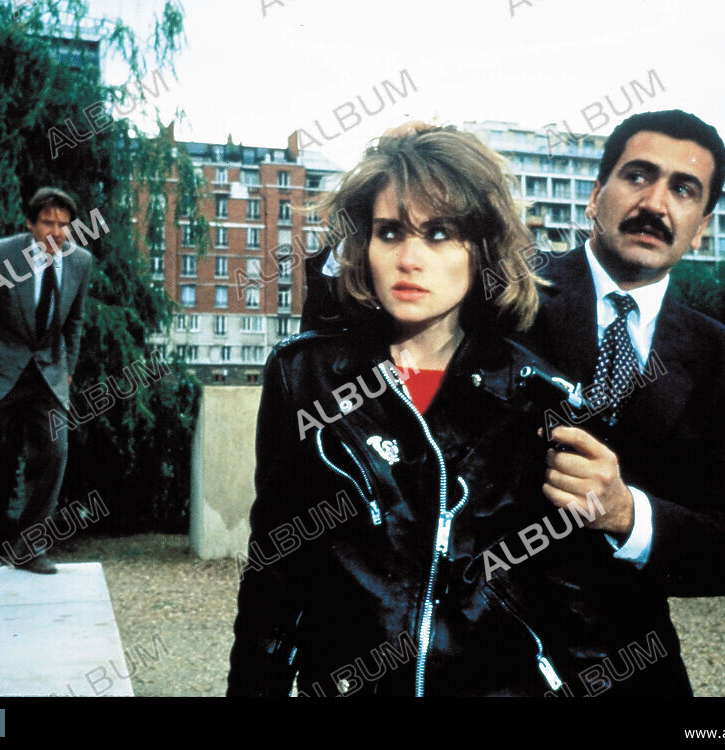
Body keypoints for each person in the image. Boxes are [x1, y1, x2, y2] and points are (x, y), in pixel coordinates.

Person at [293, 111, 725, 697]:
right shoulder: (502, 288)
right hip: (487, 664)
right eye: (637, 176)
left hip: (632, 670)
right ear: (596, 196)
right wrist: (397, 174)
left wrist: (627, 514)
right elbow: (354, 325)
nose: (655, 202)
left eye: (683, 188)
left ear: (702, 226)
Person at [229, 123, 635, 697]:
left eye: (440, 234)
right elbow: (275, 570)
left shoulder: (536, 395)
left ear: (482, 250)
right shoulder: (307, 378)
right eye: (390, 232)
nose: (409, 259)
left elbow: (575, 600)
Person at [0, 187, 94, 574]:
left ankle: (28, 548)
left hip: (46, 374)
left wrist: (68, 368)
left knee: (54, 454)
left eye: (64, 225)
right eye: (48, 222)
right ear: (30, 223)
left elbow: (75, 322)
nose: (56, 232)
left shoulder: (80, 261)